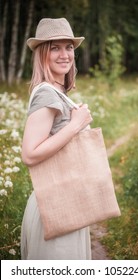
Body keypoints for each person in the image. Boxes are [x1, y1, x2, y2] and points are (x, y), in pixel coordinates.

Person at [21, 18, 93, 260]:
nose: (64, 54)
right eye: (55, 47)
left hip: (68, 201)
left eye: (69, 47)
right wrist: (75, 125)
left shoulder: (58, 94)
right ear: (43, 54)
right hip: (55, 205)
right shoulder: (46, 95)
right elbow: (29, 154)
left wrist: (75, 121)